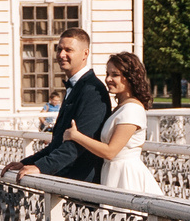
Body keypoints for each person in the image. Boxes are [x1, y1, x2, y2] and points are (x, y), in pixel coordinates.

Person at [2, 26, 110, 183]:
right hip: (66, 182)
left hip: (82, 185)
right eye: (59, 49)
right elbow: (58, 143)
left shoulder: (93, 91)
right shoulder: (76, 87)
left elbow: (77, 145)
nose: (61, 55)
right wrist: (26, 163)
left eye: (68, 50)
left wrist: (41, 167)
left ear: (85, 54)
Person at [63, 53, 160, 194]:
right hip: (112, 172)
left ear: (130, 77)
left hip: (126, 177)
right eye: (107, 73)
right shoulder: (121, 107)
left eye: (115, 75)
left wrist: (76, 136)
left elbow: (110, 152)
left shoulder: (132, 109)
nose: (108, 79)